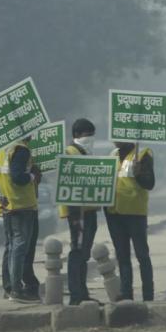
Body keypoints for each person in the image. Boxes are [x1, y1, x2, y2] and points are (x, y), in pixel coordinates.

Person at [0, 137, 41, 303]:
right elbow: (18, 177)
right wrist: (33, 175)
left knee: (10, 247)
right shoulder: (20, 150)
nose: (32, 137)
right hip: (22, 206)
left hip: (7, 206)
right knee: (19, 247)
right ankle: (17, 290)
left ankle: (9, 288)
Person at [105, 142, 156, 301]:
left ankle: (148, 294)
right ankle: (126, 293)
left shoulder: (142, 154)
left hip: (135, 213)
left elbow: (150, 183)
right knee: (122, 256)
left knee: (142, 255)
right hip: (114, 213)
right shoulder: (112, 155)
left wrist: (139, 173)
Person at [59, 118, 100, 305]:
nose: (90, 138)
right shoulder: (71, 152)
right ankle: (76, 294)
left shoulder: (85, 152)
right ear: (76, 135)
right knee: (78, 251)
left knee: (84, 252)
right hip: (77, 211)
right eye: (87, 135)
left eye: (92, 135)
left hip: (89, 209)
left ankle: (82, 293)